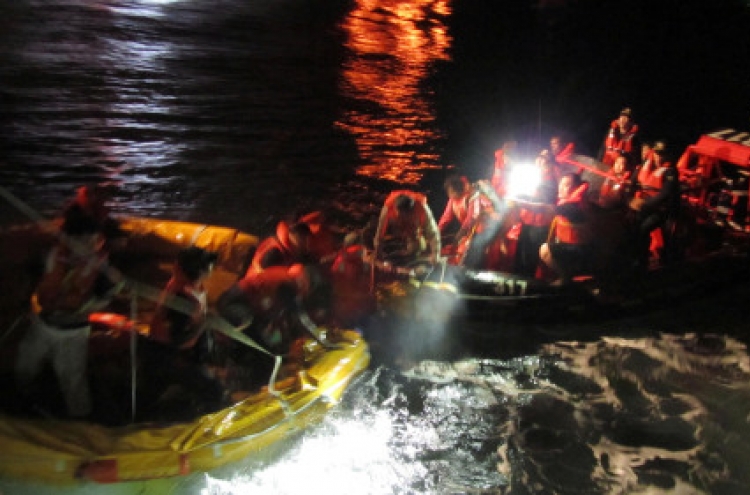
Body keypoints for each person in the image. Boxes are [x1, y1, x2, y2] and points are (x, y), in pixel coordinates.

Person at [15, 209, 122, 418]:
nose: (89, 246)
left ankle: (81, 422)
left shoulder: (102, 270)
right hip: (43, 324)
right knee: (24, 365)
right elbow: (33, 280)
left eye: (93, 241)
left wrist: (111, 286)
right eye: (83, 241)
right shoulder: (52, 255)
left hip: (73, 333)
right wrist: (25, 302)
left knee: (73, 381)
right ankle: (22, 401)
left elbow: (104, 297)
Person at [143, 246, 224, 415]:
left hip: (183, 350)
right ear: (199, 271)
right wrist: (204, 324)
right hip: (168, 355)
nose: (212, 270)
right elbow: (178, 340)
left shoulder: (191, 287)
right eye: (209, 267)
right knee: (215, 389)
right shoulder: (182, 298)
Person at [629, 141, 682, 266]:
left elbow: (665, 193)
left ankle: (645, 261)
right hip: (646, 206)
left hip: (662, 210)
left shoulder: (671, 171)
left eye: (663, 155)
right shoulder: (647, 164)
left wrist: (643, 204)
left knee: (644, 228)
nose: (659, 157)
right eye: (658, 154)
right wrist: (630, 199)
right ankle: (636, 256)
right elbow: (633, 180)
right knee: (632, 226)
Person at [539, 173, 593, 285]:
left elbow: (544, 209)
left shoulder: (573, 207)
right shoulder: (569, 202)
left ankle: (566, 279)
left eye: (566, 185)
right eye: (561, 183)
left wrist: (520, 203)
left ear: (575, 189)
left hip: (578, 252)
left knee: (545, 249)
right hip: (568, 246)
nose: (561, 187)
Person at [512, 150, 558, 277]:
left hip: (540, 223)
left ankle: (527, 281)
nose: (539, 160)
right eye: (538, 156)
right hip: (527, 220)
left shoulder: (550, 179)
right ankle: (517, 277)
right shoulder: (534, 174)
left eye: (543, 157)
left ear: (549, 162)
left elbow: (545, 204)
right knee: (521, 251)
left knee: (530, 255)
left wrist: (522, 201)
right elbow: (526, 193)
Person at [373, 190, 441, 264]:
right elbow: (379, 233)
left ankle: (412, 251)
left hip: (413, 228)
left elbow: (433, 233)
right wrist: (377, 252)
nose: (402, 216)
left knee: (417, 248)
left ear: (411, 211)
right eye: (400, 214)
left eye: (404, 215)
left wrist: (435, 254)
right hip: (395, 228)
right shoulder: (388, 209)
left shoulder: (423, 209)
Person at [247, 220, 313, 275]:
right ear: (295, 236)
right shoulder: (275, 251)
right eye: (304, 240)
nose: (306, 246)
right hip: (253, 286)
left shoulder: (286, 249)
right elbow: (263, 277)